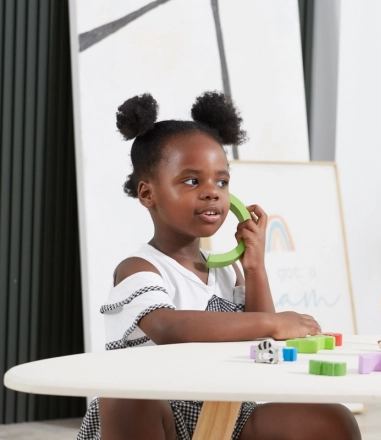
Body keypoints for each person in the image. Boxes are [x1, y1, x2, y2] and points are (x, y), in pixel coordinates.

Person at [77, 92, 361, 440]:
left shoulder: (228, 271)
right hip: (157, 415)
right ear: (148, 194)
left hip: (227, 413)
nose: (212, 192)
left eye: (222, 182)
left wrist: (255, 269)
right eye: (192, 181)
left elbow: (262, 339)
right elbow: (168, 328)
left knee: (332, 420)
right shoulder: (139, 268)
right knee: (123, 393)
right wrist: (274, 320)